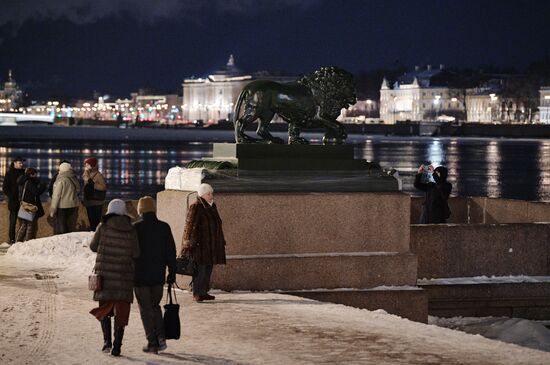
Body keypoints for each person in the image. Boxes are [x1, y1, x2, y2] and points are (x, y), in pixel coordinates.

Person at [89, 199, 140, 357]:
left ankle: (107, 342)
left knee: (104, 308)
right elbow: (137, 253)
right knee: (122, 311)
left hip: (105, 276)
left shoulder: (102, 226)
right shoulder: (131, 229)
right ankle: (117, 345)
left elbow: (92, 246)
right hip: (124, 277)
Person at [133, 196, 177, 353]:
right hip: (158, 275)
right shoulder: (164, 227)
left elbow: (131, 252)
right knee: (155, 306)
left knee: (145, 309)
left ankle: (152, 342)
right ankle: (161, 338)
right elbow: (170, 252)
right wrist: (172, 272)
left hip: (139, 276)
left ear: (140, 210)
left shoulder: (135, 228)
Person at [181, 183, 226, 302]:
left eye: (212, 193)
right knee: (199, 270)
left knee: (208, 268)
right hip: (200, 246)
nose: (211, 196)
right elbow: (189, 227)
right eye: (208, 194)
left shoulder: (212, 207)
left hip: (211, 244)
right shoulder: (196, 207)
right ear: (202, 195)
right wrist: (188, 245)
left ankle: (203, 291)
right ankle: (197, 292)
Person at [16, 168, 46, 242]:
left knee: (24, 225)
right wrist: (43, 186)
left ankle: (19, 242)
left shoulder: (24, 181)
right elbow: (36, 192)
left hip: (25, 205)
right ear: (31, 174)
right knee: (29, 225)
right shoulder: (29, 182)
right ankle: (27, 242)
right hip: (29, 206)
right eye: (35, 174)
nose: (36, 176)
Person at [50, 162, 80, 234]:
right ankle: (69, 238)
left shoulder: (61, 180)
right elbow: (78, 190)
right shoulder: (74, 178)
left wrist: (53, 209)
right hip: (73, 205)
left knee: (62, 224)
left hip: (62, 206)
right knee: (69, 224)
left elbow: (56, 195)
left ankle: (64, 239)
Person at [2, 157, 25, 244]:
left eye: (22, 162)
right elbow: (5, 188)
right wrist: (11, 196)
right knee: (13, 222)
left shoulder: (24, 172)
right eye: (20, 163)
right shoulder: (9, 173)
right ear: (14, 163)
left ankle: (21, 240)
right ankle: (12, 239)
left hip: (23, 202)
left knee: (24, 222)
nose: (22, 164)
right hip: (14, 202)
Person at [82, 157, 107, 231]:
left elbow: (103, 187)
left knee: (95, 222)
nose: (85, 166)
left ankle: (96, 236)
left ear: (92, 165)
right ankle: (94, 235)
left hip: (96, 202)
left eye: (87, 164)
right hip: (89, 201)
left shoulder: (98, 175)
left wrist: (94, 185)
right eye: (85, 164)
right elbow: (85, 180)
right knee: (91, 221)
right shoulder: (87, 174)